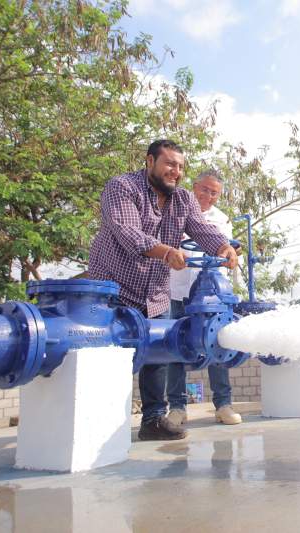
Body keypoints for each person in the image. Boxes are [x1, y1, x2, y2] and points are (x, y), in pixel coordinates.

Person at [88, 140, 238, 441]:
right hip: (113, 286)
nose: (176, 171)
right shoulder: (122, 187)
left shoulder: (183, 199)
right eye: (170, 164)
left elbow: (201, 227)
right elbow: (127, 232)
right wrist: (167, 252)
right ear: (149, 161)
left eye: (180, 166)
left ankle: (153, 420)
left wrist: (223, 245)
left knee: (157, 352)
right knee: (104, 353)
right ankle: (95, 424)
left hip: (154, 290)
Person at [166, 170, 243, 427]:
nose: (208, 196)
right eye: (205, 189)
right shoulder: (173, 208)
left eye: (214, 192)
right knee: (174, 346)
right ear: (194, 187)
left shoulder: (221, 219)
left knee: (217, 343)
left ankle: (223, 405)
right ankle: (177, 408)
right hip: (176, 290)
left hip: (210, 293)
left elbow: (225, 249)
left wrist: (231, 254)